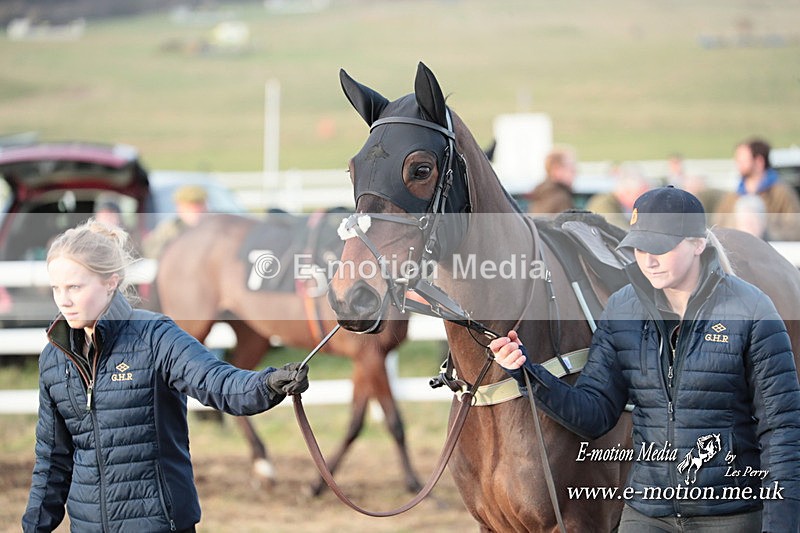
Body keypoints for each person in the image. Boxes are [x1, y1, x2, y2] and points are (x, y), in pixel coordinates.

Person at [491, 187, 800, 532]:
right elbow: (595, 412)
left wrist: (782, 525)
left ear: (698, 244)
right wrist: (528, 375)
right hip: (647, 514)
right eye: (638, 248)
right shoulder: (623, 310)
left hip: (731, 515)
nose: (648, 259)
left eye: (660, 248)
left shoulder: (752, 310)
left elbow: (782, 429)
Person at [22, 219, 310, 532]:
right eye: (56, 288)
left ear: (110, 282)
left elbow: (218, 383)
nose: (63, 300)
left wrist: (268, 384)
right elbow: (52, 461)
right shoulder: (54, 359)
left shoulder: (155, 337)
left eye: (74, 287)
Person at [713, 137, 800, 240]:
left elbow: (794, 229)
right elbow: (717, 226)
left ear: (759, 162)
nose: (737, 163)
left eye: (742, 160)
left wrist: (763, 231)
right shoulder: (732, 197)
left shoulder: (781, 194)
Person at [142, 184, 209, 258]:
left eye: (197, 206)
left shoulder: (214, 228)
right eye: (189, 207)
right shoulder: (169, 229)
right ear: (179, 208)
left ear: (205, 207)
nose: (195, 211)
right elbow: (150, 251)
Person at [586, 162, 652, 229]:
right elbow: (622, 232)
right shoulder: (603, 205)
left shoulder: (621, 207)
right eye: (641, 196)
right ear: (626, 192)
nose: (645, 202)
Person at [526, 146, 577, 214]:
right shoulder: (560, 198)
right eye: (570, 167)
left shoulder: (541, 194)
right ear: (556, 169)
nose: (575, 171)